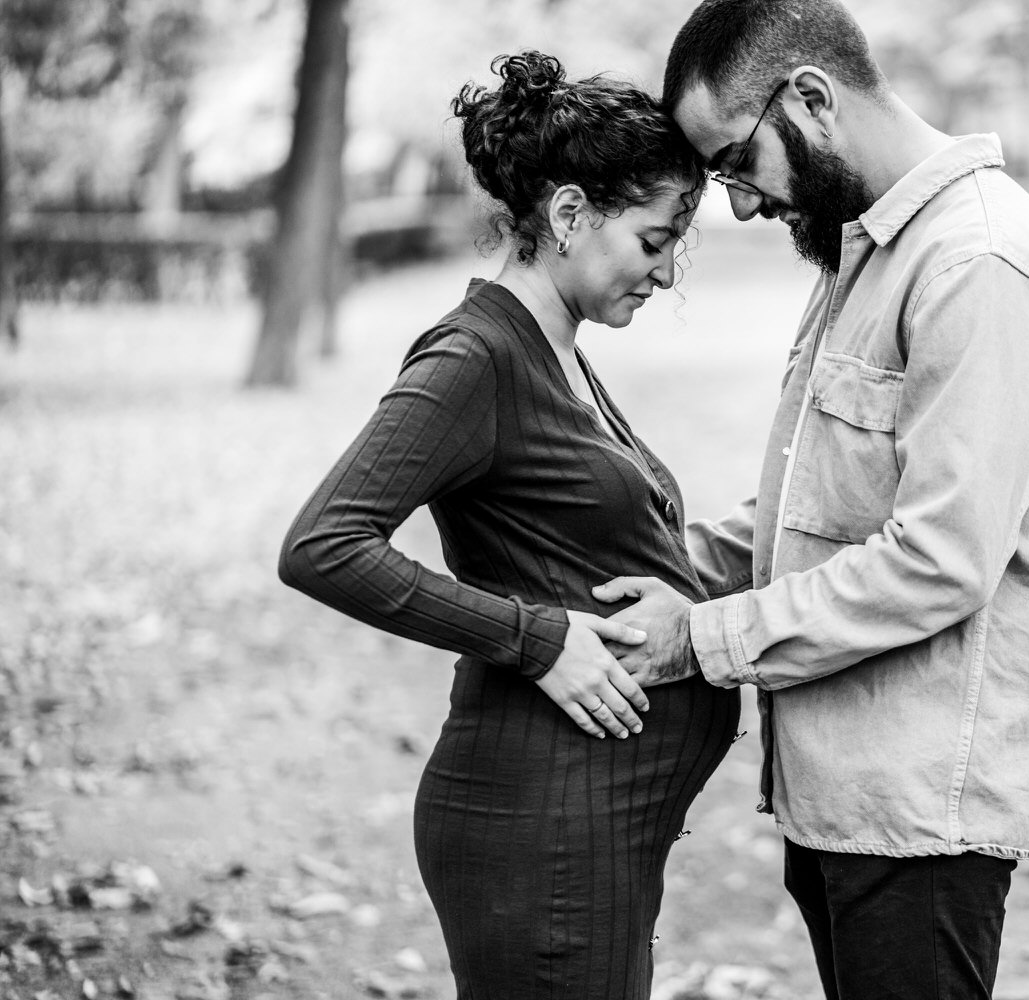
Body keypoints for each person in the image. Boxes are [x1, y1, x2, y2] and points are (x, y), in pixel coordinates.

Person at [591, 2, 1029, 998]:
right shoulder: (866, 252)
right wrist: (649, 568)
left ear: (812, 98)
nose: (737, 205)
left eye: (735, 164)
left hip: (918, 819)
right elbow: (814, 513)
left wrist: (699, 640)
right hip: (841, 792)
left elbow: (938, 559)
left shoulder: (978, 264)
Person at [277, 51, 739, 1000]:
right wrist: (536, 640)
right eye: (654, 241)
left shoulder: (556, 348)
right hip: (540, 830)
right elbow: (325, 546)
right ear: (569, 215)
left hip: (590, 825)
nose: (665, 272)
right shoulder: (476, 356)